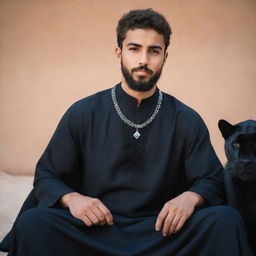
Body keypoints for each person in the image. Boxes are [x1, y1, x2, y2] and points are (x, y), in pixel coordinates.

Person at [0, 8, 253, 256]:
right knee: (34, 224)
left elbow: (211, 179)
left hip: (164, 233)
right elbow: (47, 175)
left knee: (225, 221)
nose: (144, 60)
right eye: (134, 49)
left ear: (165, 56)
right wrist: (73, 199)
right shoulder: (83, 113)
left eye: (154, 51)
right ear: (119, 52)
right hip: (94, 232)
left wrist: (189, 198)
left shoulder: (186, 119)